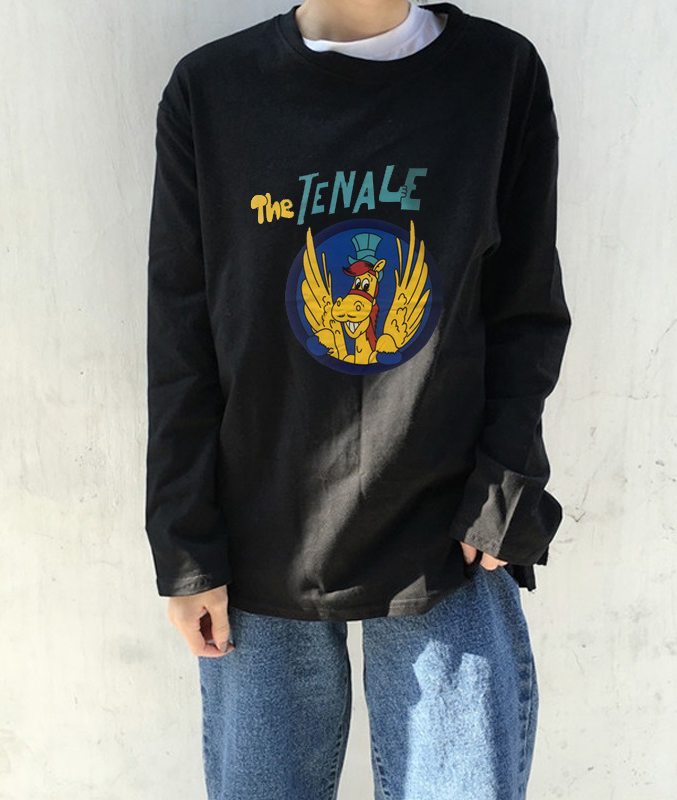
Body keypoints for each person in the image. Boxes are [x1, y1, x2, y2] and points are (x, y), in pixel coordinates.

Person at [144, 0, 570, 797]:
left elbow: (525, 308)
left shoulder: (497, 76)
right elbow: (181, 342)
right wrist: (185, 548)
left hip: (447, 539)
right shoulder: (212, 92)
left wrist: (505, 489)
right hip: (261, 546)